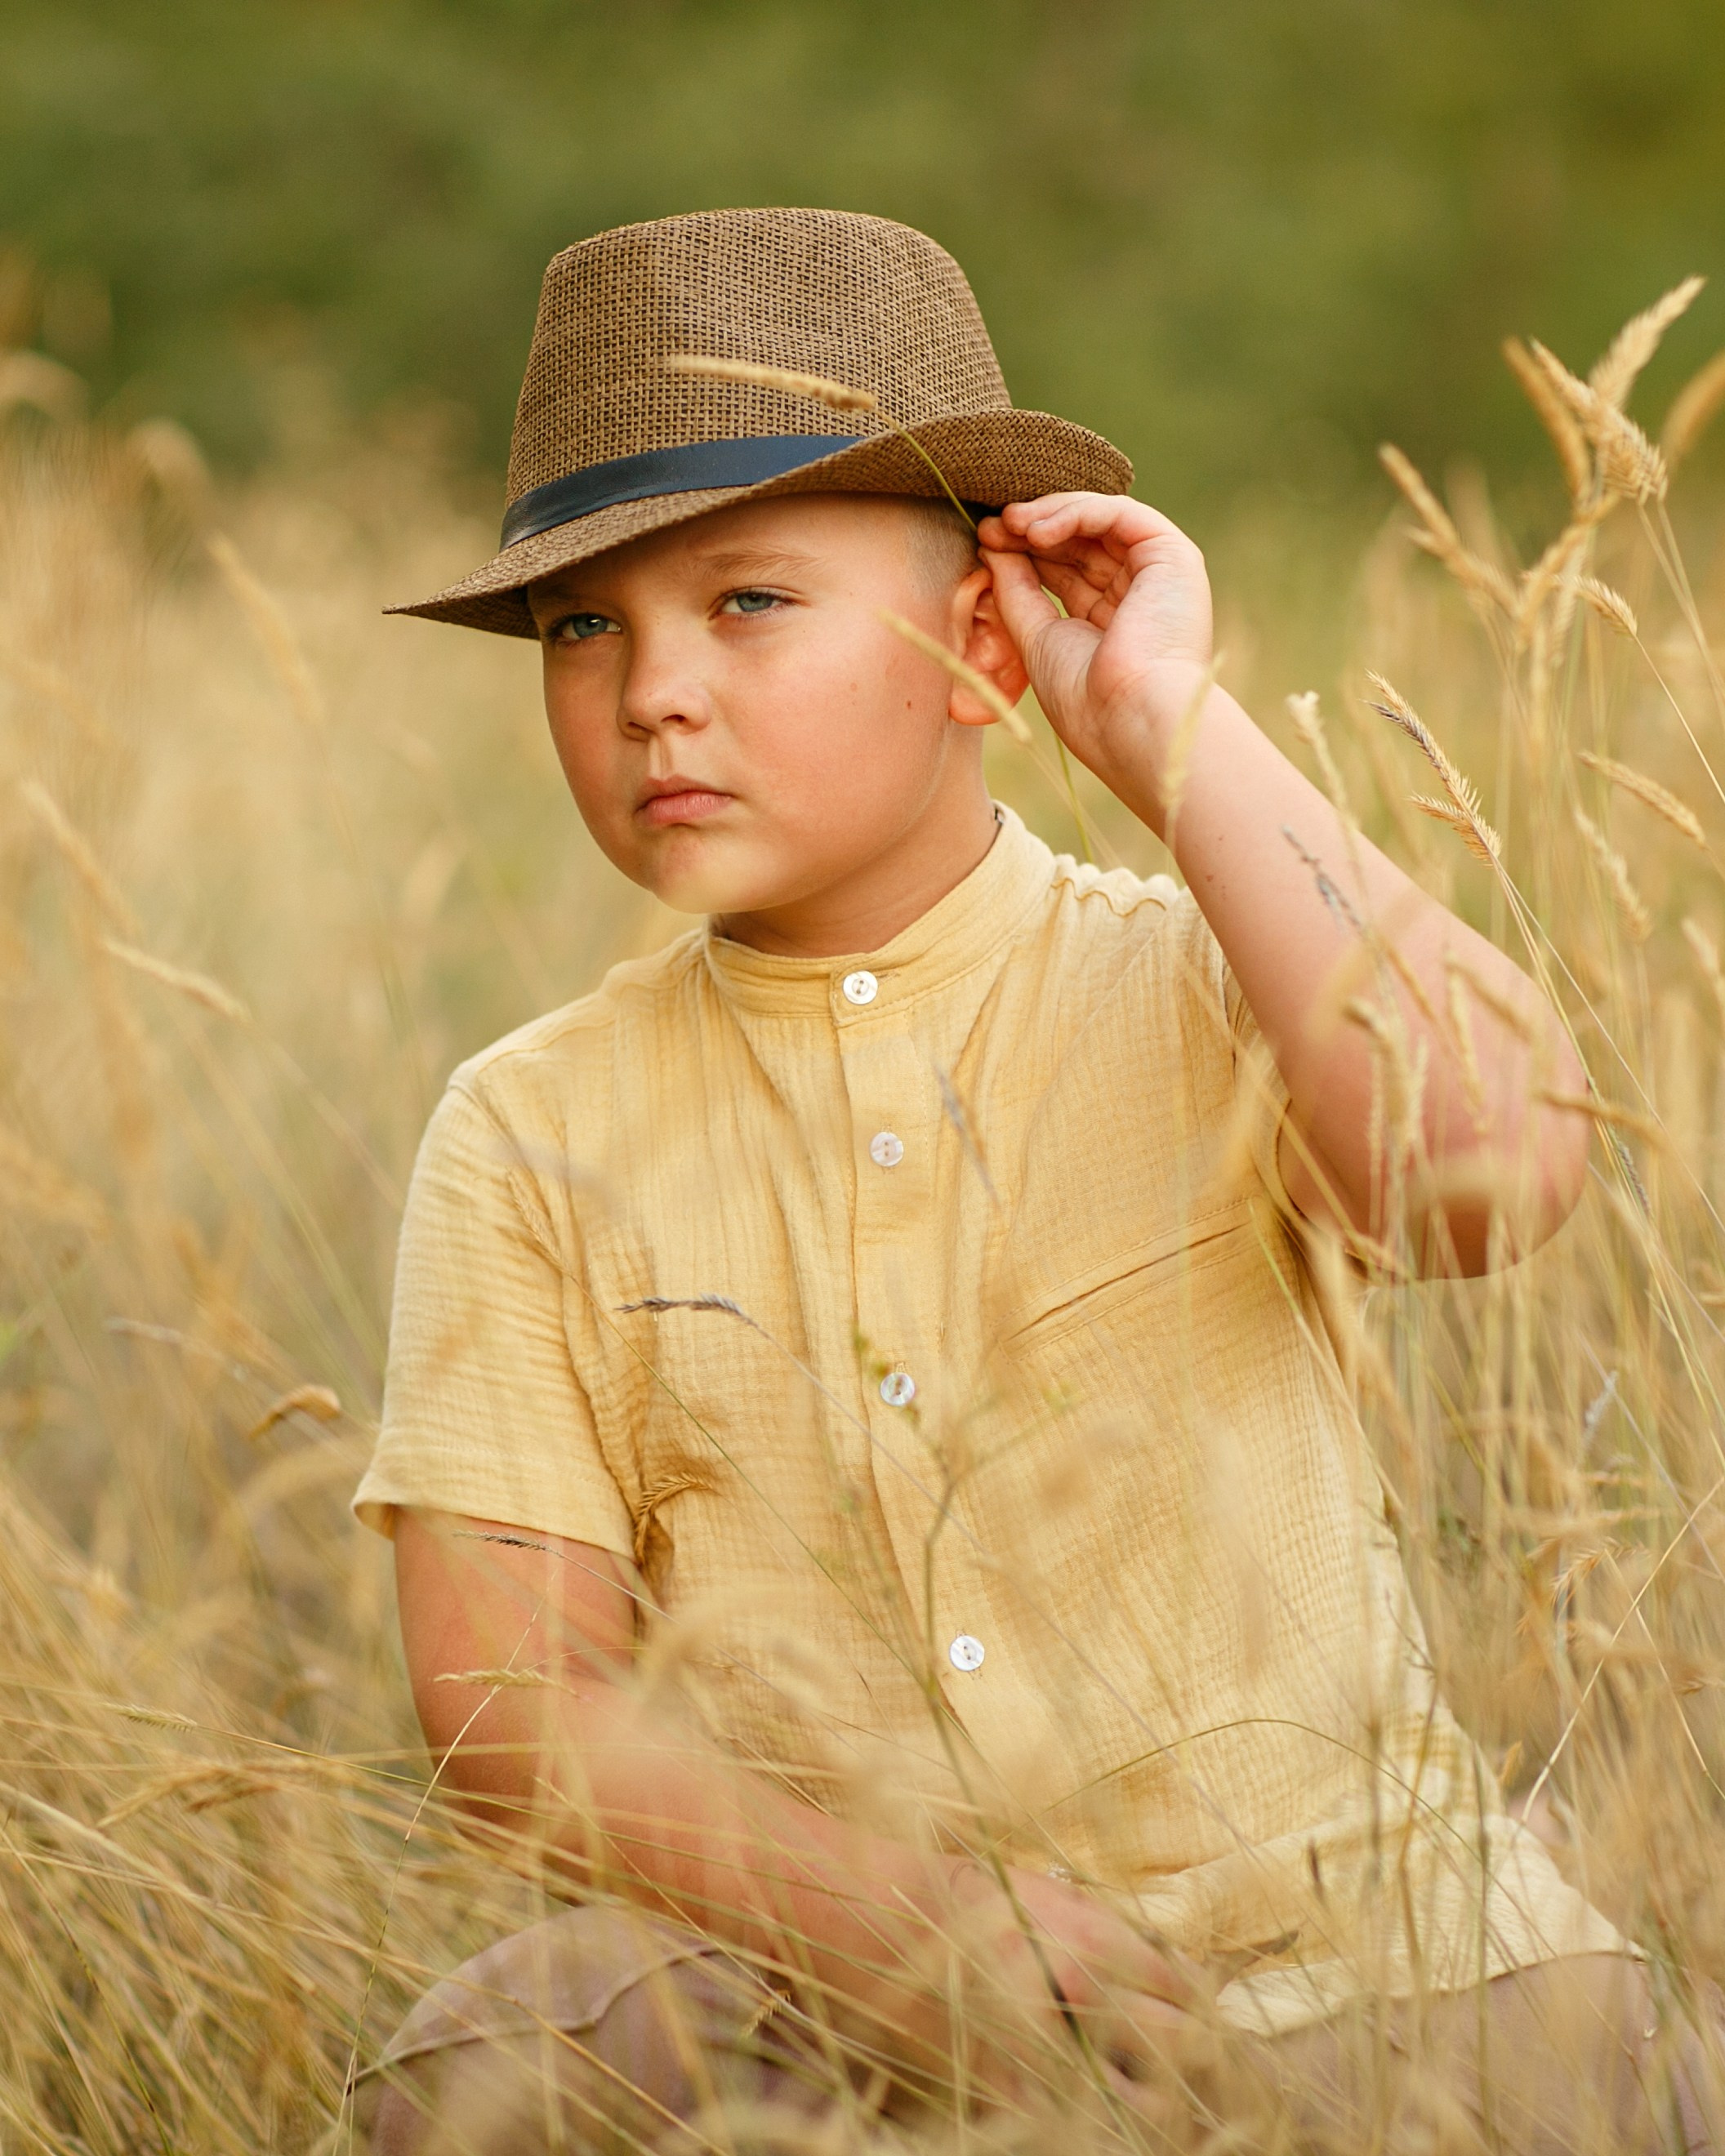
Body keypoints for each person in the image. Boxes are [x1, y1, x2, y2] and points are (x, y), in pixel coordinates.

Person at [353, 208, 1718, 2151]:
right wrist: (914, 1928)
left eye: (747, 603)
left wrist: (1169, 730)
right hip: (854, 2012)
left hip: (1373, 1974)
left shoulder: (1199, 972)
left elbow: (1490, 1172)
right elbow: (512, 1705)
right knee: (509, 2057)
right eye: (587, 626)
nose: (652, 688)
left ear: (977, 644)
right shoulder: (529, 1127)